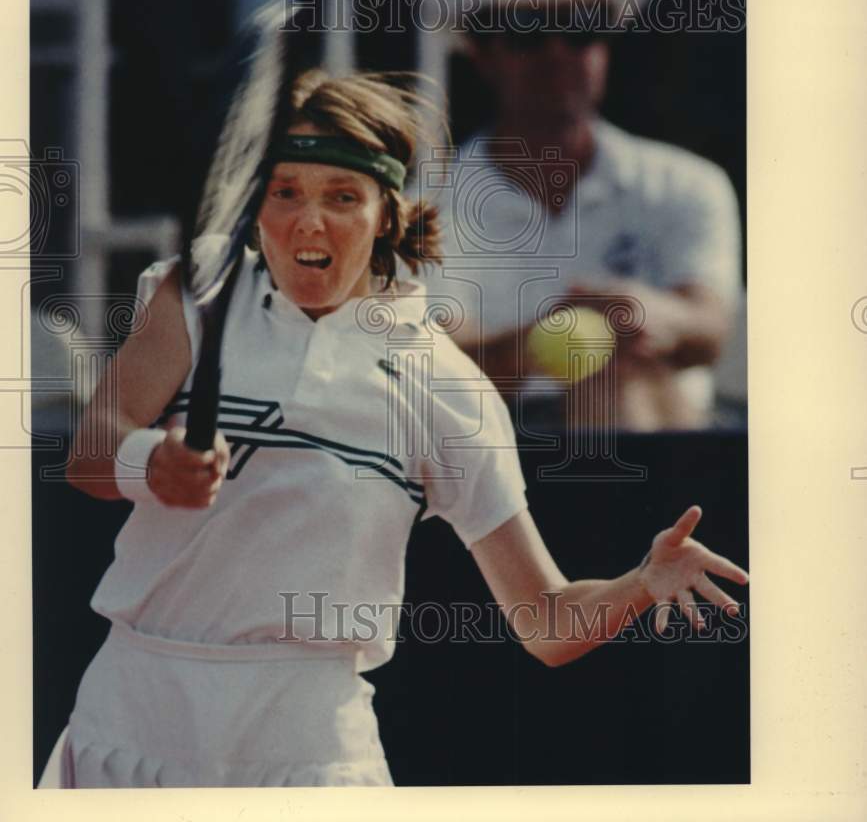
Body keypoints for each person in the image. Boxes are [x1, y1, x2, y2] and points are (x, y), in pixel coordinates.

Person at [47, 57, 748, 787]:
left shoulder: (447, 388)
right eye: (284, 191)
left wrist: (640, 581)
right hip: (126, 726)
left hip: (313, 756)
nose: (307, 220)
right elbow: (91, 451)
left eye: (341, 196)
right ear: (256, 204)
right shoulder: (194, 291)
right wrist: (151, 464)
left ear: (387, 213)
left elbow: (543, 620)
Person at [419, 0, 743, 432]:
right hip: (493, 463)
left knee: (620, 382)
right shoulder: (421, 204)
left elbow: (709, 329)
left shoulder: (687, 184)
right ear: (482, 52)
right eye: (527, 29)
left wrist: (652, 315)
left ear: (605, 43)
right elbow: (431, 372)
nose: (556, 53)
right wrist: (542, 342)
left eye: (579, 26)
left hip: (666, 439)